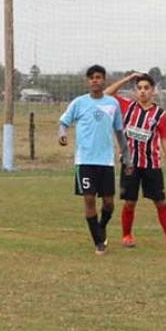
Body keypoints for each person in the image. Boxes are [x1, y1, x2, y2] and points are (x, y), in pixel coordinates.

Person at [104, 71, 166, 249]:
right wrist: (127, 78)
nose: (142, 91)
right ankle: (126, 236)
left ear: (153, 90)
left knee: (160, 201)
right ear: (135, 90)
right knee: (130, 202)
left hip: (152, 165)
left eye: (146, 88)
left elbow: (165, 138)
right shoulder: (126, 106)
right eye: (139, 88)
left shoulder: (160, 114)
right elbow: (107, 93)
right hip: (130, 164)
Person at [58, 65, 128, 255]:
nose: (95, 80)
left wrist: (126, 157)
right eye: (91, 78)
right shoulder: (79, 103)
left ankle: (101, 225)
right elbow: (63, 122)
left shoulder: (112, 104)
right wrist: (62, 134)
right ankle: (99, 241)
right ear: (87, 82)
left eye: (98, 77)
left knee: (108, 203)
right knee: (89, 199)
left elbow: (119, 132)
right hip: (85, 161)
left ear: (104, 80)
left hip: (106, 162)